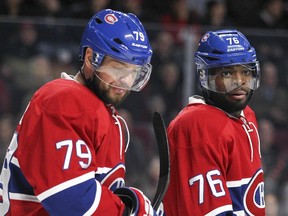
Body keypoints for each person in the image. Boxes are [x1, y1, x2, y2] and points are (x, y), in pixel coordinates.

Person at [0, 9, 162, 216]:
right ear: (90, 57)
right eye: (117, 68)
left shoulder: (98, 110)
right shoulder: (65, 101)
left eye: (133, 72)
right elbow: (72, 201)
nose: (125, 81)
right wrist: (129, 210)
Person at [163, 29, 265, 215]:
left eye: (245, 71)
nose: (239, 81)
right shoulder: (197, 125)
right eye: (227, 74)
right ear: (205, 76)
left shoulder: (246, 114)